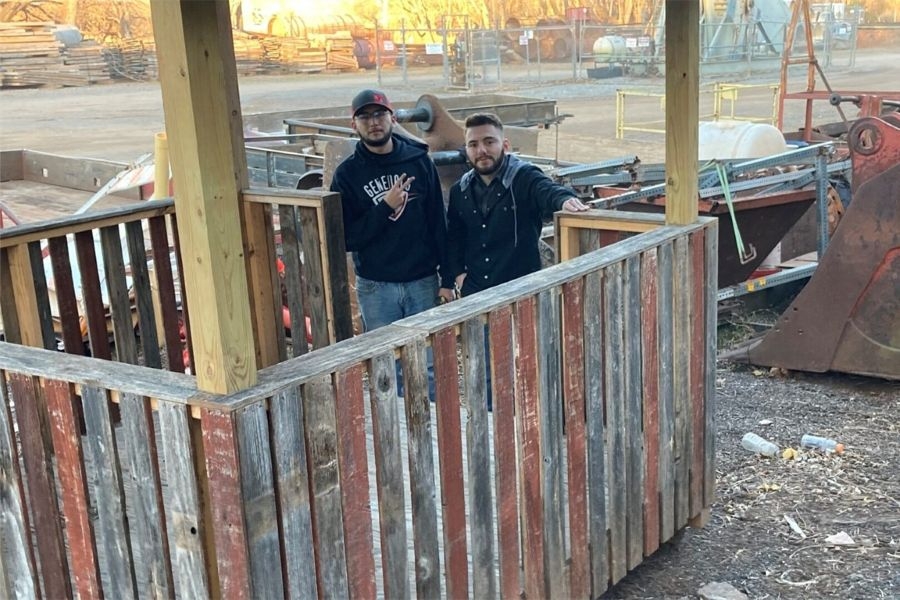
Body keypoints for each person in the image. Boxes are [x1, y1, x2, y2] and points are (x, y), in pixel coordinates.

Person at [331, 89, 454, 398]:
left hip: (421, 281)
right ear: (354, 124)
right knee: (385, 366)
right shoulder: (347, 175)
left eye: (379, 114)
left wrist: (448, 277)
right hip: (377, 285)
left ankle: (431, 432)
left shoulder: (418, 161)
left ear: (392, 118)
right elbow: (346, 237)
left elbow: (437, 221)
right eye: (365, 116)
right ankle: (393, 434)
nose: (374, 123)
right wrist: (385, 207)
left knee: (427, 365)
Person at [446, 112, 589, 297]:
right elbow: (454, 238)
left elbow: (547, 190)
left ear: (505, 145)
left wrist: (564, 200)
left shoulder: (523, 178)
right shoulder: (460, 190)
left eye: (489, 142)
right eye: (473, 144)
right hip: (475, 294)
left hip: (521, 295)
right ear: (466, 150)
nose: (481, 150)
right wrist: (459, 276)